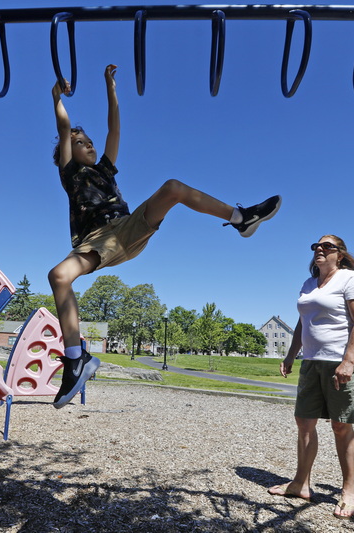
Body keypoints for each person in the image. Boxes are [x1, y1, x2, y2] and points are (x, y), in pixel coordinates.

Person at [49, 64, 281, 409]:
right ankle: (75, 359)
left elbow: (115, 125)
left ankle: (241, 218)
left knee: (172, 187)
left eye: (90, 142)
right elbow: (65, 126)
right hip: (95, 240)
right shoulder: (70, 174)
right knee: (58, 276)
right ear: (69, 152)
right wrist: (56, 98)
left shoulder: (105, 170)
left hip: (126, 228)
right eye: (82, 144)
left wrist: (110, 86)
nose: (90, 146)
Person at [268, 235, 354, 520]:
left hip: (341, 362)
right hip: (311, 362)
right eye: (316, 246)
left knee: (341, 426)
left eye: (327, 246)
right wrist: (291, 355)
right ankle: (301, 483)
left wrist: (348, 361)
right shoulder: (308, 284)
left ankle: (349, 492)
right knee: (304, 423)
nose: (320, 250)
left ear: (341, 254)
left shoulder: (350, 279)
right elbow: (303, 323)